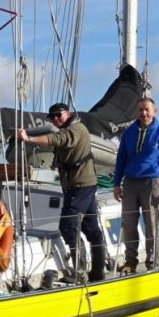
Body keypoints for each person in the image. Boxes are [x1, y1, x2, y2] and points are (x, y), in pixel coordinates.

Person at [18, 102, 106, 282]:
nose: (56, 119)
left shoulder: (77, 129)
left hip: (80, 185)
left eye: (59, 115)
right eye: (53, 117)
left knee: (67, 226)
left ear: (67, 113)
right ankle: (98, 271)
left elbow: (57, 139)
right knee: (91, 229)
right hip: (80, 185)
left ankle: (80, 272)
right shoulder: (69, 128)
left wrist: (29, 139)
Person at [112, 96, 159, 273]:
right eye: (140, 110)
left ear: (154, 111)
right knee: (128, 223)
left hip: (152, 182)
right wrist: (116, 183)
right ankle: (130, 262)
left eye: (147, 109)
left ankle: (152, 261)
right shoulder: (129, 132)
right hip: (130, 182)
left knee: (152, 224)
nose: (143, 113)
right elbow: (121, 158)